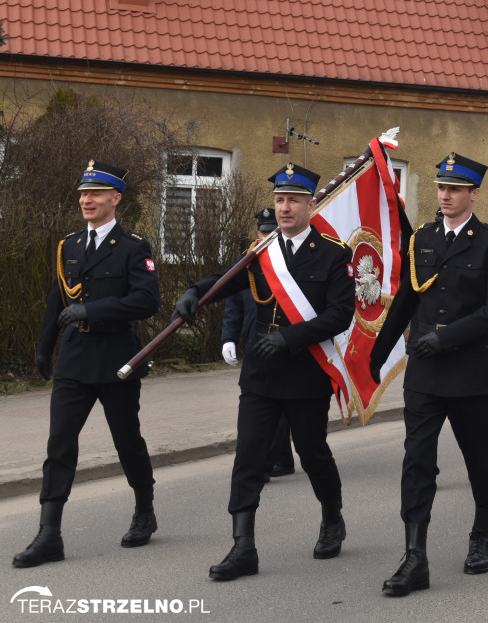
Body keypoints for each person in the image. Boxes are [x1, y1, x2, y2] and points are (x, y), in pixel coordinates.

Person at [172, 164, 355, 580]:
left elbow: (340, 315)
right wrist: (195, 293)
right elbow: (227, 281)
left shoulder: (332, 253)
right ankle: (243, 547)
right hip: (260, 375)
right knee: (249, 457)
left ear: (311, 204)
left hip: (306, 373)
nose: (284, 207)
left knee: (312, 454)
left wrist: (290, 340)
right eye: (279, 200)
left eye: (292, 200)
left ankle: (332, 516)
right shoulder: (261, 251)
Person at [369, 153, 488, 596]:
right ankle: (415, 557)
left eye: (454, 189)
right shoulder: (423, 240)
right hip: (426, 376)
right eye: (440, 187)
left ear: (474, 193)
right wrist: (376, 355)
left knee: (481, 458)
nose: (445, 195)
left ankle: (482, 529)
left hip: (470, 372)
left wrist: (446, 338)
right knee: (417, 463)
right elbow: (407, 302)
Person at [14, 161, 160, 569]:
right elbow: (56, 299)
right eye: (82, 193)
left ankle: (144, 511)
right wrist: (45, 347)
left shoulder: (134, 246)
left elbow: (148, 301)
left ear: (116, 198)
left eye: (95, 193)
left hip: (117, 359)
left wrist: (91, 309)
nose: (86, 200)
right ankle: (49, 534)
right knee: (59, 444)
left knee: (126, 440)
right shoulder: (70, 246)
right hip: (75, 359)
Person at [221, 208, 295, 479]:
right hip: (255, 342)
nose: (265, 236)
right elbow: (234, 304)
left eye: (270, 231)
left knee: (277, 406)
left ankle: (268, 462)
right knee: (264, 405)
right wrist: (228, 338)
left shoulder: (288, 261)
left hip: (283, 342)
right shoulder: (247, 261)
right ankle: (280, 459)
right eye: (262, 231)